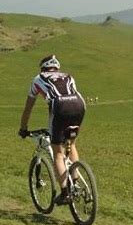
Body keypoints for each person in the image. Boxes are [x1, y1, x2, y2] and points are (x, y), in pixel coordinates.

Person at [18, 55, 86, 205]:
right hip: (79, 104)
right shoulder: (68, 76)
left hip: (60, 106)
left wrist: (23, 128)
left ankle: (65, 193)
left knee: (58, 152)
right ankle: (75, 182)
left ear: (43, 68)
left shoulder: (38, 79)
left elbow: (28, 109)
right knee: (71, 144)